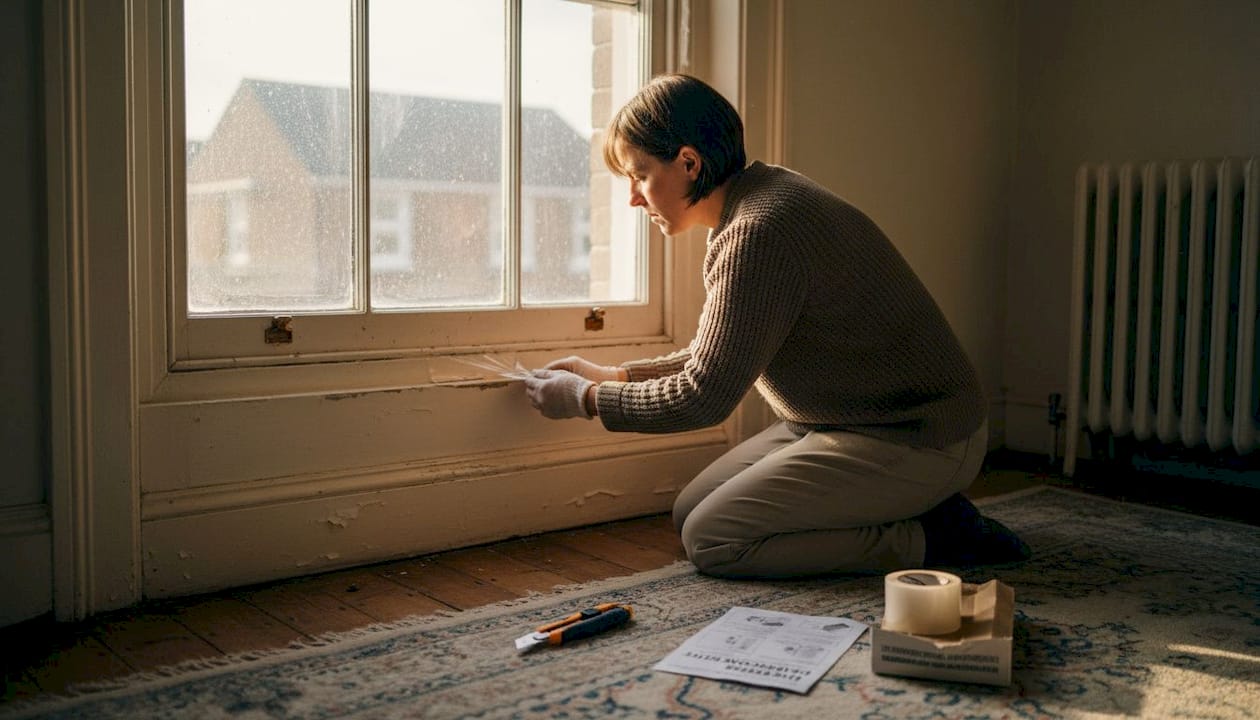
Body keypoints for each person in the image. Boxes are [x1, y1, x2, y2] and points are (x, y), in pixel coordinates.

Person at [523, 73, 1029, 579]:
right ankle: (913, 508)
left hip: (921, 436)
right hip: (844, 422)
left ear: (688, 162)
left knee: (714, 540)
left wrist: (585, 400)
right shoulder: (757, 199)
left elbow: (704, 396)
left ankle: (931, 535)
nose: (634, 198)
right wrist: (610, 376)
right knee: (689, 512)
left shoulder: (759, 232)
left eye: (639, 175)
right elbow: (719, 356)